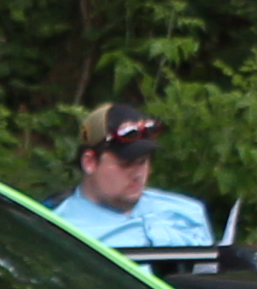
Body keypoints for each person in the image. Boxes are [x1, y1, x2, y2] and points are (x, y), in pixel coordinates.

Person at [47, 101, 213, 254]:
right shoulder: (59, 231)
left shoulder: (188, 211)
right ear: (90, 162)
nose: (138, 174)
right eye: (125, 163)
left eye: (143, 161)